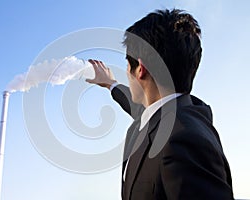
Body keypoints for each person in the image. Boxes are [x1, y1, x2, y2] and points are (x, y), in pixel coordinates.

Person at [86, 9, 234, 200]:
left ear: (140, 69)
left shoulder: (183, 141)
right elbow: (141, 109)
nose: (126, 72)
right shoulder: (172, 116)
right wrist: (110, 84)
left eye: (127, 65)